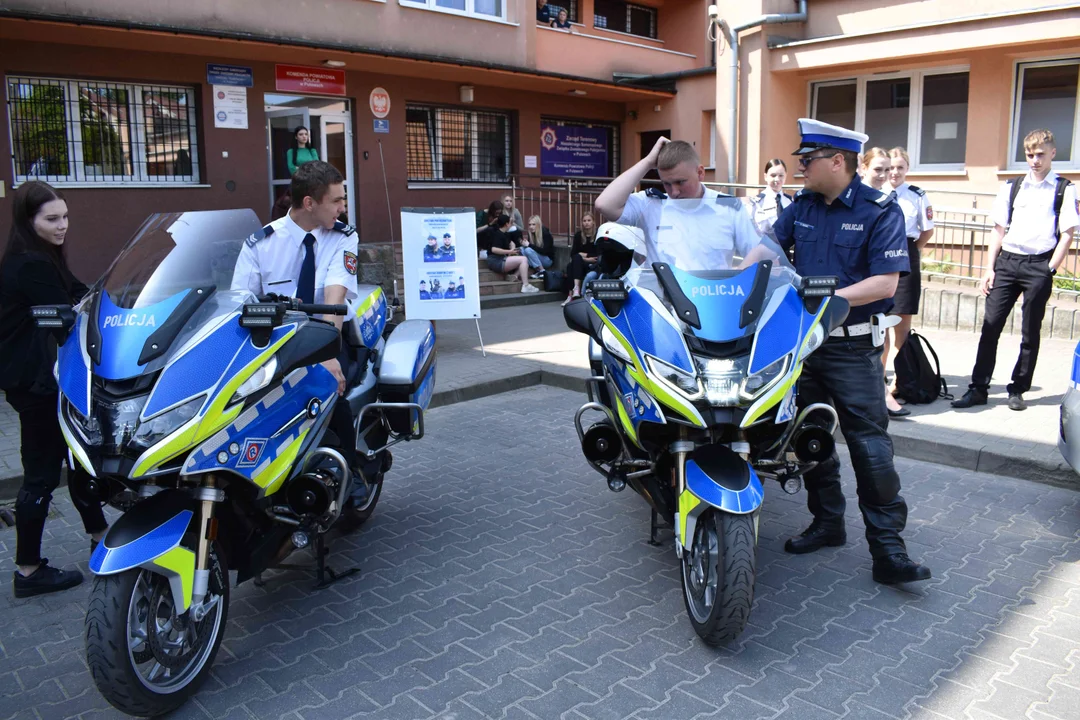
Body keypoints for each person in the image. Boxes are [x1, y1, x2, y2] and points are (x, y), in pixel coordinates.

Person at [772, 118, 931, 585]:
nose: (800, 168)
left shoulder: (881, 210)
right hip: (805, 347)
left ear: (836, 162)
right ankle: (828, 524)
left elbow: (885, 283)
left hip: (854, 346)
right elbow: (768, 249)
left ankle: (888, 552)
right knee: (811, 441)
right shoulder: (802, 204)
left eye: (808, 160)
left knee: (871, 450)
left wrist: (827, 299)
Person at [230, 161, 366, 496]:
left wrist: (327, 352)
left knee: (329, 388)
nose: (343, 207)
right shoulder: (260, 244)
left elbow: (335, 295)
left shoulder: (342, 238)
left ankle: (351, 474)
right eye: (336, 200)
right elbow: (239, 303)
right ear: (310, 203)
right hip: (276, 341)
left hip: (327, 334)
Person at [0, 181, 109, 597]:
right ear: (30, 221)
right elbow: (70, 310)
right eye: (52, 219)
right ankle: (28, 570)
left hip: (42, 377)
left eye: (65, 216)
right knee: (42, 473)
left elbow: (80, 291)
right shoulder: (31, 264)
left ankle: (100, 535)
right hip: (38, 381)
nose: (63, 226)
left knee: (79, 460)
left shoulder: (38, 256)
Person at [952, 129, 1078, 412]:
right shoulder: (1012, 186)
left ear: (1053, 153)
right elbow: (998, 229)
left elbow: (1067, 234)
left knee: (1030, 332)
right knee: (990, 326)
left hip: (1039, 265)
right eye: (1030, 155)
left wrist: (1050, 269)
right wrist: (989, 269)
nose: (1035, 160)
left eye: (1040, 155)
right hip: (1007, 263)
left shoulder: (1064, 189)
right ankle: (978, 389)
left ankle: (1018, 389)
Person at [594, 138, 766, 292]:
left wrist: (734, 281)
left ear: (700, 172)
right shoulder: (653, 204)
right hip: (664, 308)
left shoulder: (728, 207)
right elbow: (605, 204)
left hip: (712, 306)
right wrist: (647, 162)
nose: (674, 192)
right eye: (667, 184)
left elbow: (757, 253)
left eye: (680, 182)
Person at [860, 147, 909, 418]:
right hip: (859, 280)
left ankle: (882, 390)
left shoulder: (889, 202)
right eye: (878, 169)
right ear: (863, 168)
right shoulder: (853, 201)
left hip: (881, 277)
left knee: (881, 333)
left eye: (887, 169)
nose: (885, 175)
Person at [887, 146, 934, 395]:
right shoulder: (875, 191)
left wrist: (910, 250)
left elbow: (927, 230)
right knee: (878, 324)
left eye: (900, 167)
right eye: (891, 167)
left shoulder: (916, 195)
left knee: (901, 324)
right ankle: (877, 379)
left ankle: (901, 380)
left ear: (907, 169)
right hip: (878, 256)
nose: (894, 172)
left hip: (906, 255)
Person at [486, 214, 539, 294]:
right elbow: (494, 249)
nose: (512, 224)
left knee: (523, 259)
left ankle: (514, 276)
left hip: (500, 259)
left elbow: (510, 243)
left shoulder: (504, 233)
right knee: (523, 259)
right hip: (496, 261)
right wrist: (510, 252)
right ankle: (526, 285)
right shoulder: (498, 234)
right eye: (511, 222)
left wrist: (512, 248)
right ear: (507, 224)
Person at [748, 158, 794, 237]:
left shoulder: (790, 201)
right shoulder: (757, 203)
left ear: (785, 176)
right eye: (773, 175)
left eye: (781, 175)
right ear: (765, 176)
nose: (777, 179)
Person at [563, 211, 598, 305]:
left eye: (589, 220)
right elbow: (573, 253)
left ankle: (573, 293)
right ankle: (574, 291)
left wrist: (585, 255)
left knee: (574, 262)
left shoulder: (597, 234)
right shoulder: (579, 235)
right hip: (581, 262)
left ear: (593, 222)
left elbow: (598, 254)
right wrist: (585, 258)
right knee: (572, 264)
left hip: (594, 264)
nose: (586, 223)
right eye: (584, 221)